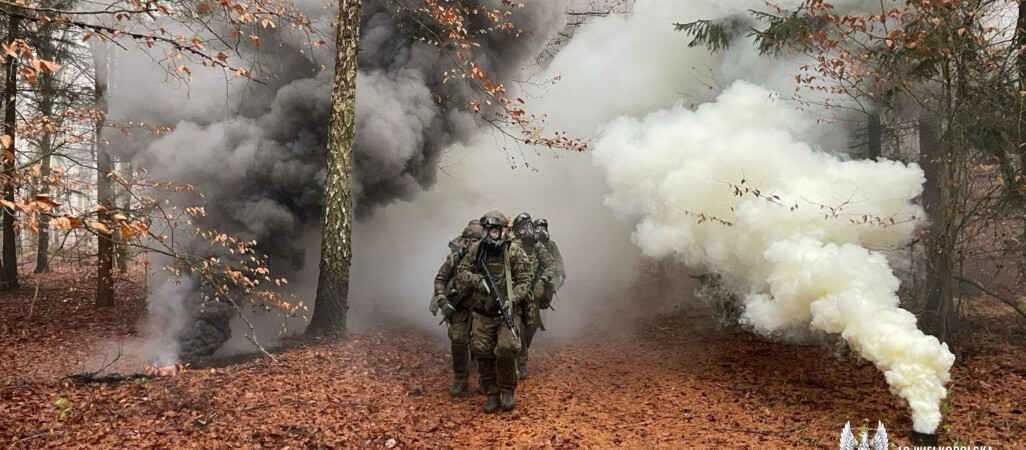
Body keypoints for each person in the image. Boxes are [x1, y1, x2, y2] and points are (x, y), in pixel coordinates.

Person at [452, 210, 531, 412]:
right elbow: (462, 271)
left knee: (506, 348)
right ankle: (492, 393)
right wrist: (477, 281)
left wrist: (512, 299)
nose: (489, 235)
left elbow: (524, 281)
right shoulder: (477, 249)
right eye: (485, 231)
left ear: (503, 230)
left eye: (493, 231)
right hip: (482, 312)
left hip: (506, 311)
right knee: (482, 351)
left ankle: (507, 390)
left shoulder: (513, 251)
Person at [430, 219, 483, 397]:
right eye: (466, 241)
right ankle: (460, 378)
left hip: (483, 309)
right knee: (458, 342)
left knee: (483, 345)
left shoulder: (488, 260)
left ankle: (486, 379)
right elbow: (440, 279)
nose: (470, 245)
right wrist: (442, 301)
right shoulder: (455, 259)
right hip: (460, 308)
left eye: (474, 241)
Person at [510, 213, 554, 380]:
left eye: (529, 227)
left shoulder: (537, 246)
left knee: (532, 326)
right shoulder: (512, 246)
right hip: (516, 293)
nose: (528, 231)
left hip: (532, 294)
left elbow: (549, 265)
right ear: (516, 231)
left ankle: (523, 352)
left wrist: (542, 281)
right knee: (517, 328)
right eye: (523, 229)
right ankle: (519, 363)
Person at [534, 218, 565, 297]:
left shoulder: (551, 245)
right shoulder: (530, 244)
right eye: (538, 229)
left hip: (548, 280)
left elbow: (557, 259)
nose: (541, 231)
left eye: (543, 228)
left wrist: (560, 273)